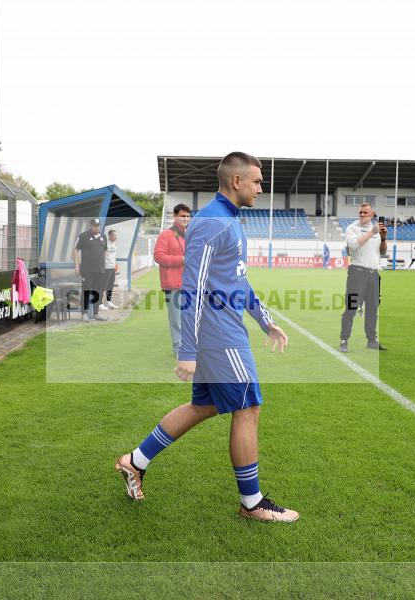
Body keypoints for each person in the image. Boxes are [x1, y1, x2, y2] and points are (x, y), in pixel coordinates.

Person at [115, 152, 297, 522]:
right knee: (248, 407)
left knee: (205, 406)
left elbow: (238, 281)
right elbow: (193, 286)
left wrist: (265, 320)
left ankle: (135, 462)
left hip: (225, 330)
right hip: (220, 336)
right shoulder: (214, 223)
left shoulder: (228, 220)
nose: (261, 188)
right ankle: (253, 503)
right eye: (257, 181)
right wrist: (188, 350)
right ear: (236, 181)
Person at [339, 204, 388, 353]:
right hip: (357, 273)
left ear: (372, 214)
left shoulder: (377, 230)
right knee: (351, 307)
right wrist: (372, 232)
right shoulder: (352, 228)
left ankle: (372, 340)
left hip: (373, 274)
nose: (362, 214)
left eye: (365, 212)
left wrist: (384, 238)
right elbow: (353, 245)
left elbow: (383, 252)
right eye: (360, 212)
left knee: (373, 309)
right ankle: (344, 340)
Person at [154, 204, 190, 357]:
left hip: (190, 283)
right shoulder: (166, 235)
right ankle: (178, 348)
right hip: (173, 284)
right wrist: (181, 259)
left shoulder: (191, 234)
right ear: (175, 216)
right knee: (177, 320)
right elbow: (159, 257)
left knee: (189, 319)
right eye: (182, 216)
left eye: (188, 216)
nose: (186, 219)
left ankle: (188, 347)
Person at [74, 218, 108, 322]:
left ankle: (96, 313)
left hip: (100, 269)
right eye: (94, 225)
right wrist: (77, 266)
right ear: (90, 225)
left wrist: (103, 263)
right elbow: (76, 250)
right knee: (86, 291)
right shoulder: (83, 236)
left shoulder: (103, 236)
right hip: (87, 269)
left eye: (97, 225)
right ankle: (84, 314)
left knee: (98, 291)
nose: (96, 227)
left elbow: (105, 250)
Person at [99, 228, 118, 311]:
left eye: (116, 235)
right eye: (114, 235)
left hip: (112, 268)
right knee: (103, 286)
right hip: (106, 268)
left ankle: (109, 302)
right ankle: (99, 303)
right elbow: (102, 256)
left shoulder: (114, 245)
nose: (115, 237)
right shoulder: (105, 244)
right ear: (109, 236)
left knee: (110, 285)